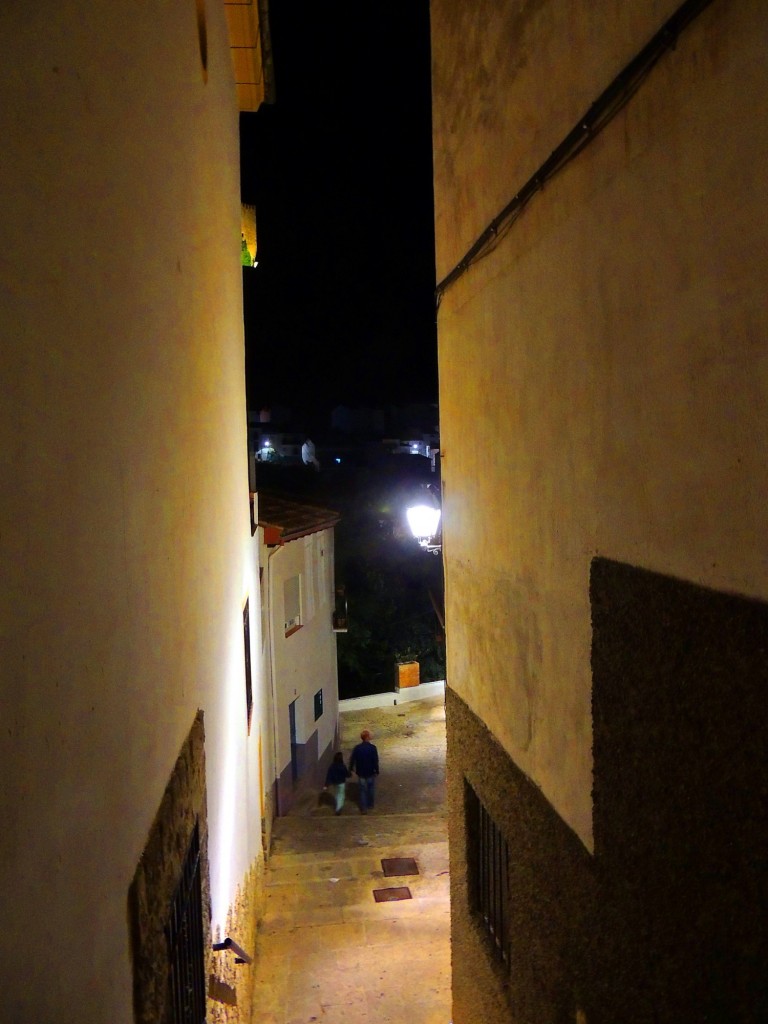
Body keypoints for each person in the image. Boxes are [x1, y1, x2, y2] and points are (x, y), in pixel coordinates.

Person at [349, 729, 379, 814]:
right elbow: (375, 760)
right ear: (367, 737)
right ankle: (370, 804)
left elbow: (353, 759)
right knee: (370, 788)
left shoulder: (357, 748)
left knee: (362, 790)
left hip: (361, 771)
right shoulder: (373, 748)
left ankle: (363, 807)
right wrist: (377, 770)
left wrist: (351, 768)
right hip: (370, 771)